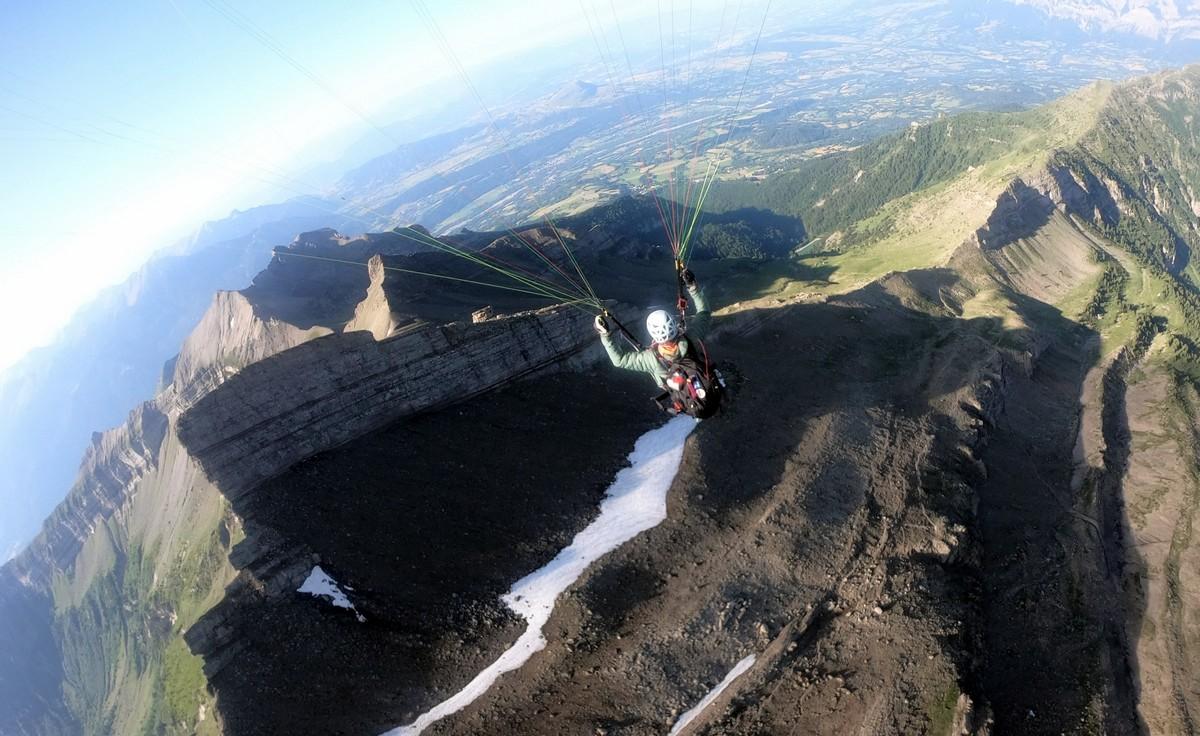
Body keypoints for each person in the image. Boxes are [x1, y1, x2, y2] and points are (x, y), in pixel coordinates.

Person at [594, 268, 721, 417]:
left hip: (683, 394)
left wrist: (606, 335)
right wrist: (692, 286)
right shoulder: (692, 337)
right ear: (673, 324)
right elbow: (704, 312)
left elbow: (619, 360)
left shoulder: (650, 359)